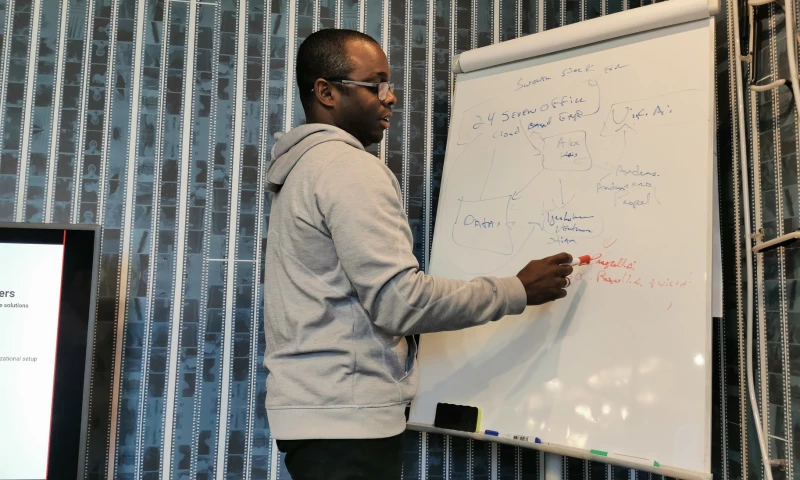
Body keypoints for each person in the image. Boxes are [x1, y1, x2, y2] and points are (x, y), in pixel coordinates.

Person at [263, 28, 574, 479]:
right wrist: (517, 289)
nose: (390, 98)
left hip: (318, 412)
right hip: (346, 418)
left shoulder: (304, 169)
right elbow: (399, 301)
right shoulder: (347, 168)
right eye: (376, 85)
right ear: (326, 93)